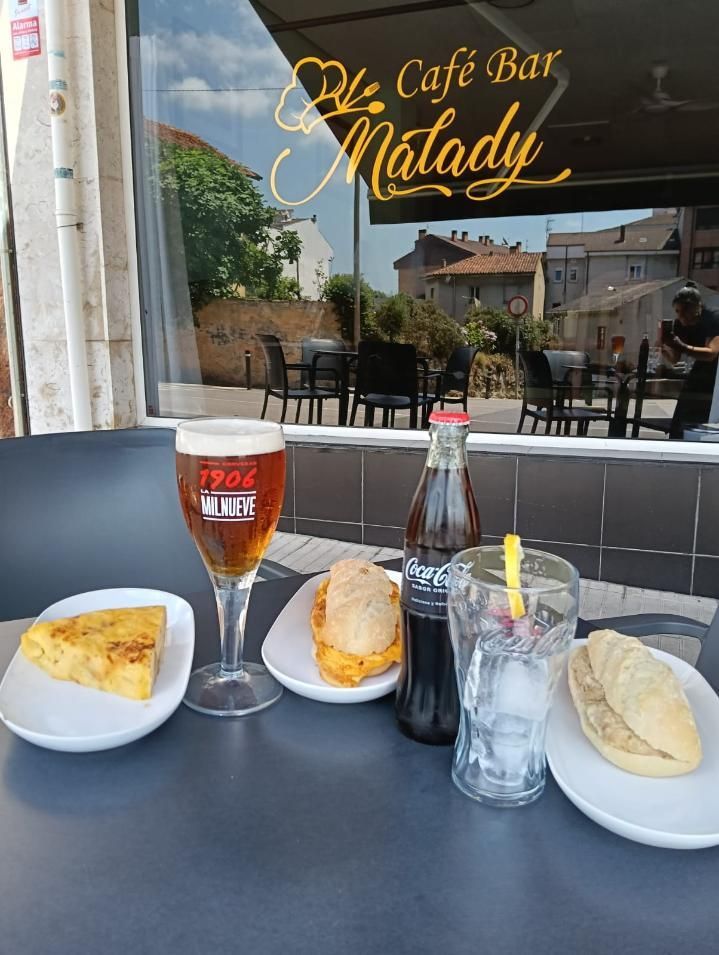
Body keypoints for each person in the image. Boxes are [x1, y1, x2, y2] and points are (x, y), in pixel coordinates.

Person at [662, 285, 719, 438]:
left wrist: (681, 345)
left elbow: (712, 353)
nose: (682, 316)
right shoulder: (680, 325)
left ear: (698, 306)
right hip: (698, 374)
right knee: (680, 420)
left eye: (686, 310)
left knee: (703, 422)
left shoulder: (712, 318)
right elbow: (674, 359)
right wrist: (663, 345)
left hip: (715, 376)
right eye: (678, 311)